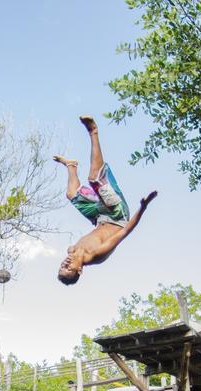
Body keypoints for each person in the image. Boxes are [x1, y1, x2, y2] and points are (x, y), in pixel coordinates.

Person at [54, 115, 157, 285]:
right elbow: (125, 232)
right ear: (80, 270)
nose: (65, 264)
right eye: (69, 268)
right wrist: (143, 207)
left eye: (62, 267)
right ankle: (93, 131)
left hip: (99, 216)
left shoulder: (72, 250)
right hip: (117, 215)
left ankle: (71, 166)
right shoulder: (96, 254)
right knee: (95, 179)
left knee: (72, 194)